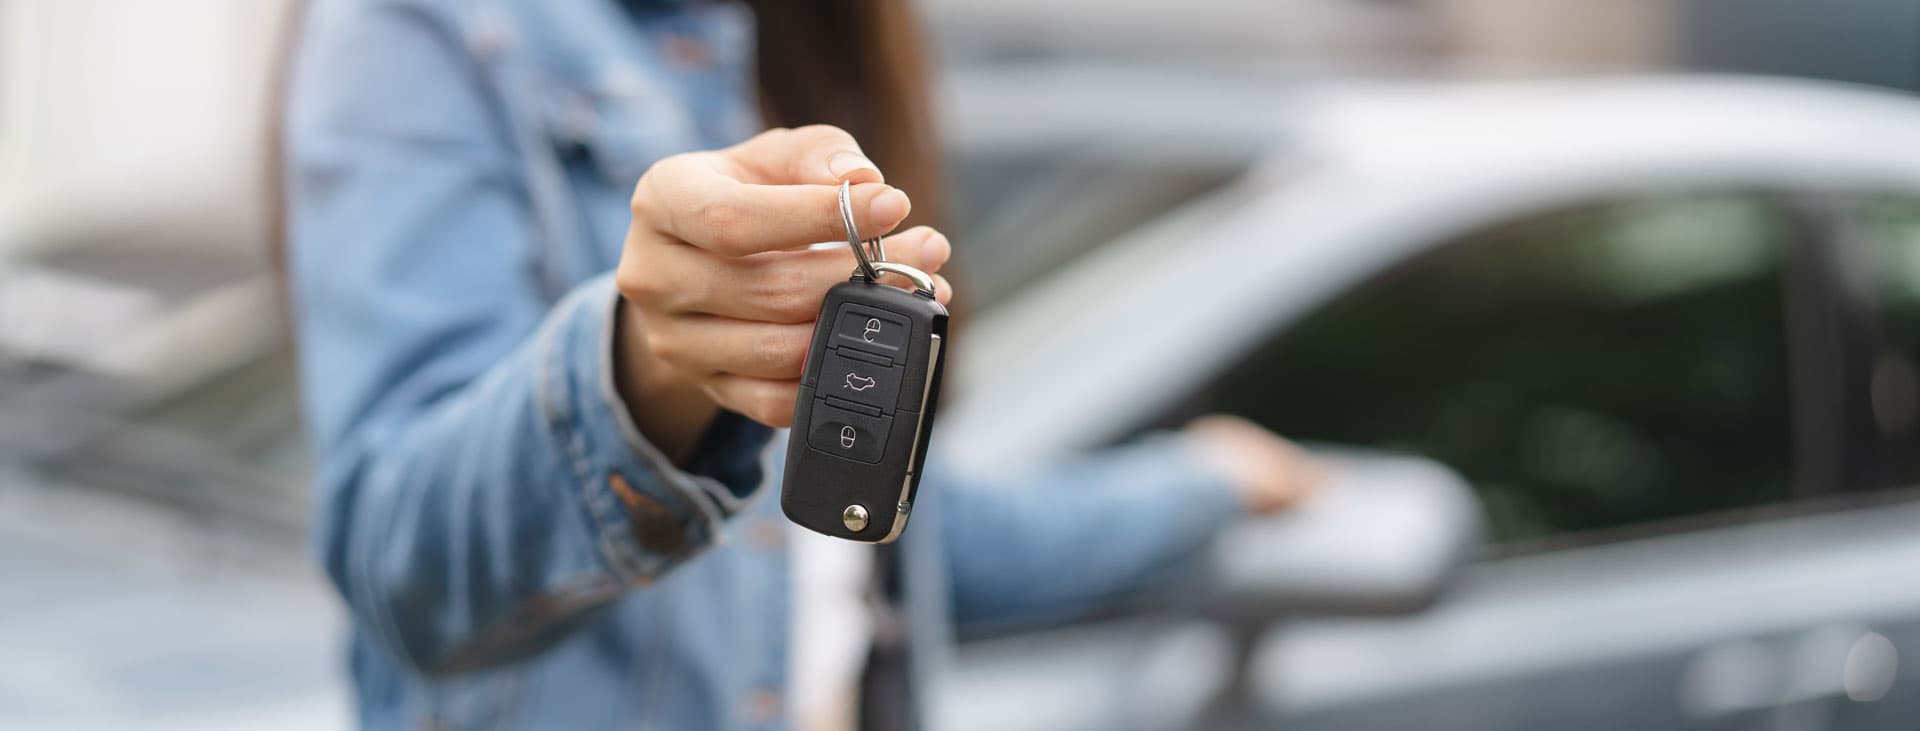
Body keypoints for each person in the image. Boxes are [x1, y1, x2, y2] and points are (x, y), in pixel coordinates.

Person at [282, 0, 1324, 728]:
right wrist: (649, 364)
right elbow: (401, 564)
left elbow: (880, 525)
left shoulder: (805, 44)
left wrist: (1198, 487)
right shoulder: (432, 22)